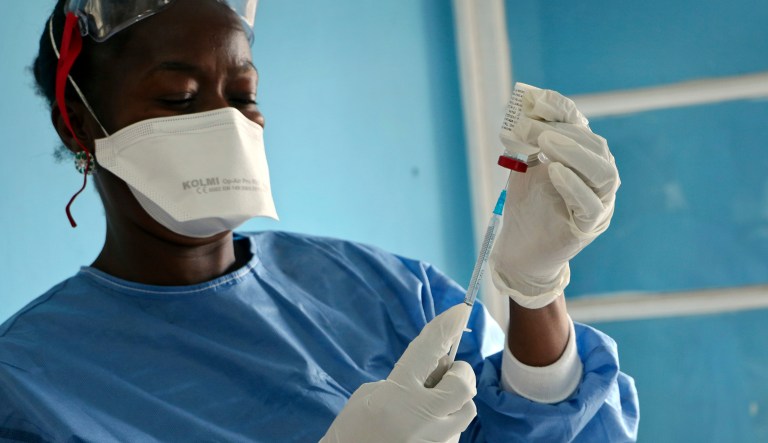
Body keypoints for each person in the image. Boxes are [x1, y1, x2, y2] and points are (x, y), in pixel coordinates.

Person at [0, 0, 639, 441]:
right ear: (81, 123)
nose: (226, 122)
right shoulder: (27, 383)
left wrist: (536, 290)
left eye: (244, 95)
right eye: (178, 99)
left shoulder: (385, 291)